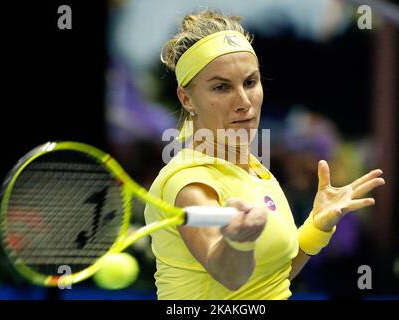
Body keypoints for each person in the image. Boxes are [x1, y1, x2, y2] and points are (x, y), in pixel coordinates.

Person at [144, 9, 385, 300]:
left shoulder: (258, 171)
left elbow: (270, 279)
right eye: (221, 87)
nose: (244, 102)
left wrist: (316, 227)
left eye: (250, 82)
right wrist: (238, 243)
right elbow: (230, 275)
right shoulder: (188, 183)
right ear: (187, 98)